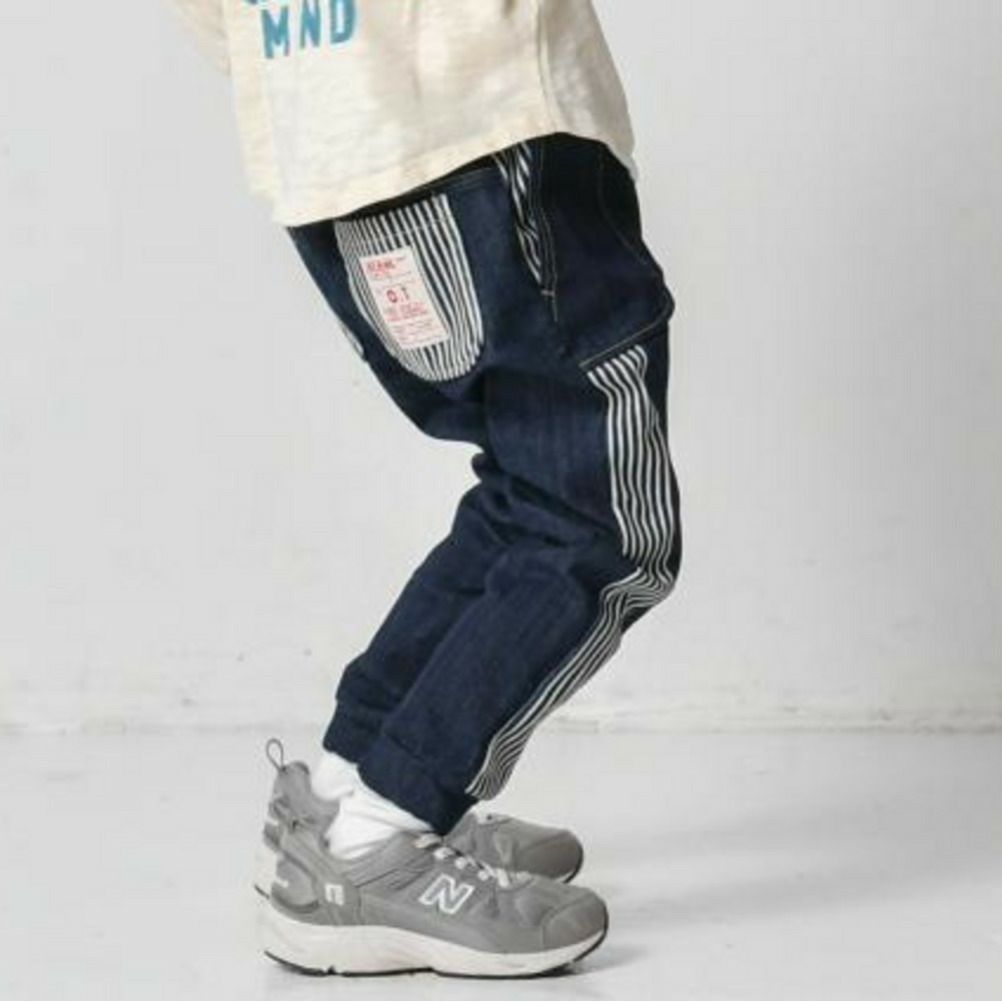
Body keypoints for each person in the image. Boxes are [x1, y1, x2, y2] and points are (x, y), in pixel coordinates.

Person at [170, 0, 681, 979]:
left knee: (527, 489)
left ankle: (345, 794)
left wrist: (316, 84)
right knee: (602, 529)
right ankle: (383, 840)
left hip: (336, 145)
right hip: (486, 116)